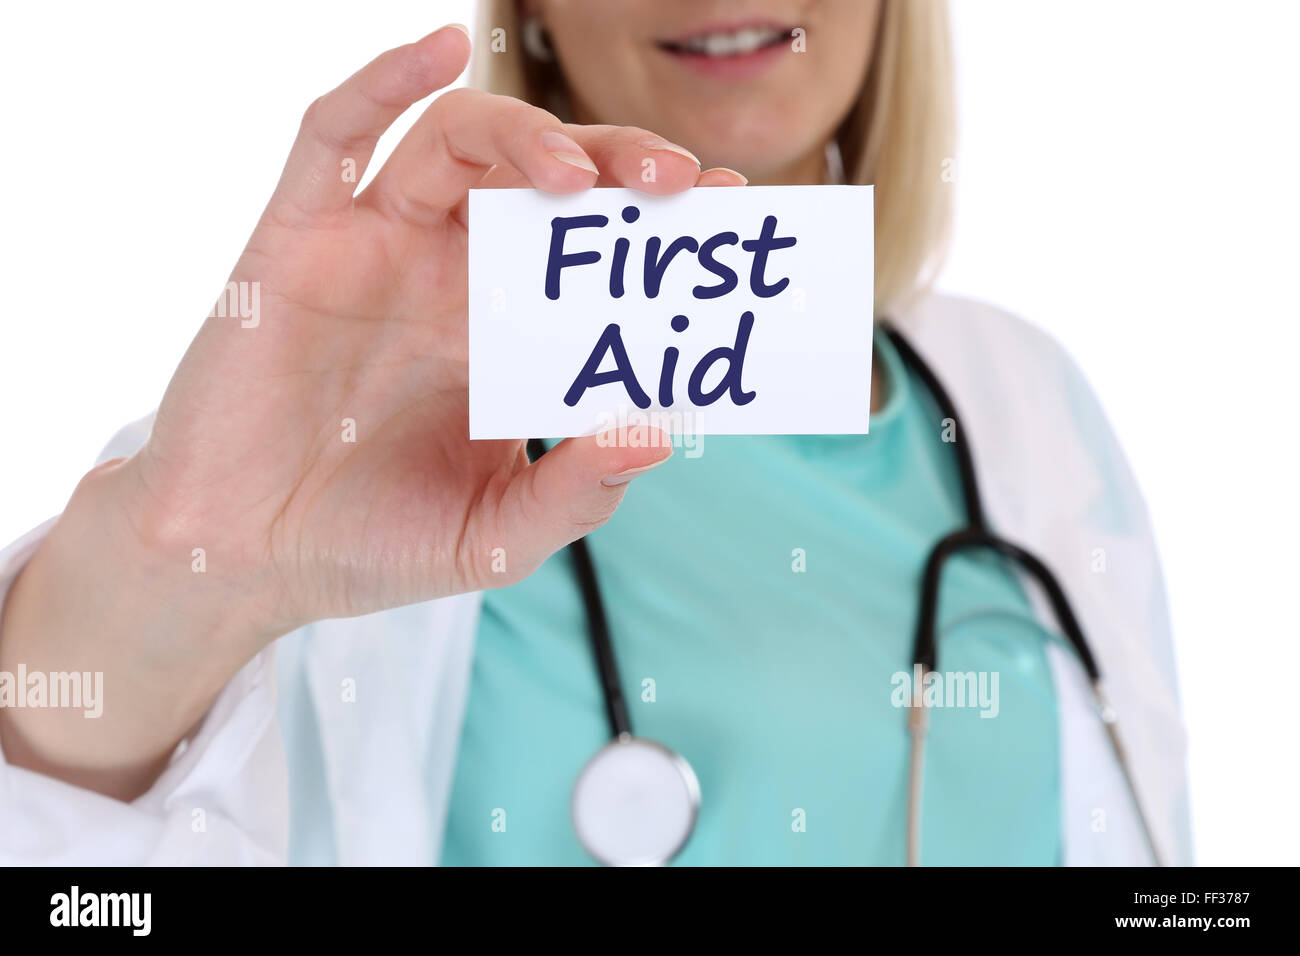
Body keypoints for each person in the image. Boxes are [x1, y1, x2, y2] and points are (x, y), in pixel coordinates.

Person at [0, 0, 1190, 865]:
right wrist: (184, 552)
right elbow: (65, 834)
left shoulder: (1021, 398)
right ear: (537, 14)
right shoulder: (363, 406)